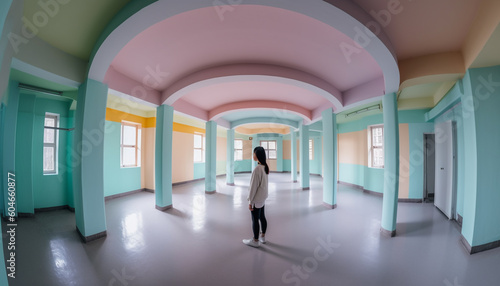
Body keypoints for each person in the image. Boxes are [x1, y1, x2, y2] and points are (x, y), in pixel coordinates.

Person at [243, 146, 269, 248]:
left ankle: (255, 240)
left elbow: (253, 187)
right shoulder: (264, 167)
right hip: (262, 198)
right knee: (262, 217)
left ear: (257, 155)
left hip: (256, 199)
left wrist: (250, 201)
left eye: (254, 153)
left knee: (255, 219)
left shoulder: (257, 169)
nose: (252, 155)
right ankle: (262, 237)